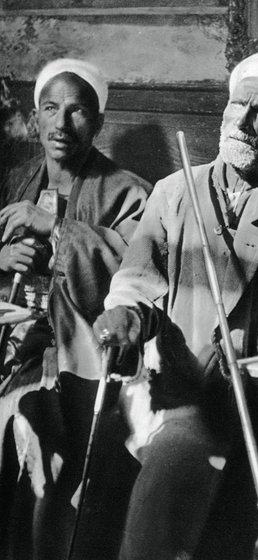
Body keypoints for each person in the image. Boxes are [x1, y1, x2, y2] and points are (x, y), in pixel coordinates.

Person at [93, 51, 258, 560]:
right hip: (188, 394)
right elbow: (136, 280)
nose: (243, 121)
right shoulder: (174, 191)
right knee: (159, 516)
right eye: (237, 105)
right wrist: (125, 313)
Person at [0, 58, 149, 560]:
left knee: (34, 433)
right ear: (35, 117)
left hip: (77, 352)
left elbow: (135, 274)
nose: (62, 124)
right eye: (50, 109)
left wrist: (56, 228)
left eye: (78, 111)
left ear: (99, 122)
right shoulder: (16, 180)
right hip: (11, 341)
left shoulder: (128, 190)